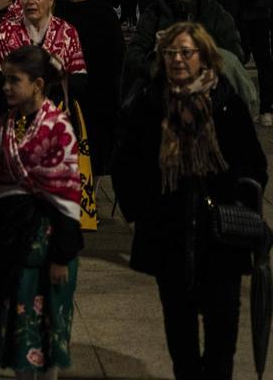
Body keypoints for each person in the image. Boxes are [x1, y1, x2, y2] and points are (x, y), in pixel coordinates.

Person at [112, 23, 267, 380]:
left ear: (205, 56)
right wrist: (142, 211)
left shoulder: (225, 103)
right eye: (171, 53)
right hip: (169, 234)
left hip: (221, 238)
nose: (178, 60)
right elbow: (126, 163)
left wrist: (240, 204)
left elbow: (255, 165)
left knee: (222, 337)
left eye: (186, 52)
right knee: (180, 337)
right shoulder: (150, 103)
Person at [0, 45, 84, 379]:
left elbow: (67, 196)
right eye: (5, 79)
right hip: (15, 241)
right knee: (22, 335)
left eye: (14, 80)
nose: (6, 87)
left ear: (38, 84)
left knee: (48, 337)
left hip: (50, 241)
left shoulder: (58, 127)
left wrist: (61, 256)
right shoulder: (6, 122)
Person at [123, 0, 255, 120]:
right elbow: (135, 53)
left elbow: (235, 55)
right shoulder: (155, 13)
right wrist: (157, 66)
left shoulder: (216, 14)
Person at [55, 0, 125, 173]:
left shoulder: (103, 13)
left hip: (97, 87)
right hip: (64, 86)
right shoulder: (56, 8)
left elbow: (116, 53)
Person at [0, 0, 87, 88]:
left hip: (55, 103)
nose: (30, 1)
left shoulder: (67, 31)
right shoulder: (6, 30)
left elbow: (79, 79)